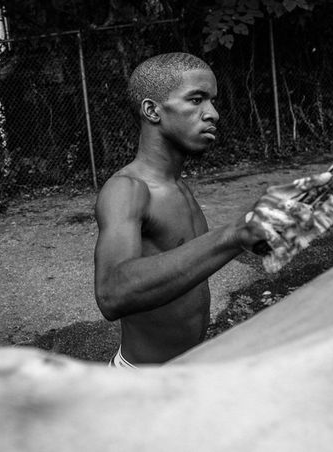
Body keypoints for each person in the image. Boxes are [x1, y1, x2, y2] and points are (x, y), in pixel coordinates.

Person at [94, 52, 272, 367]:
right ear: (152, 110)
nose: (213, 113)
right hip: (144, 384)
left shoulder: (177, 185)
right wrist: (231, 236)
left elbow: (187, 262)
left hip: (188, 369)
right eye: (196, 100)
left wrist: (260, 231)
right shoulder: (128, 189)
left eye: (213, 101)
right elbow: (112, 294)